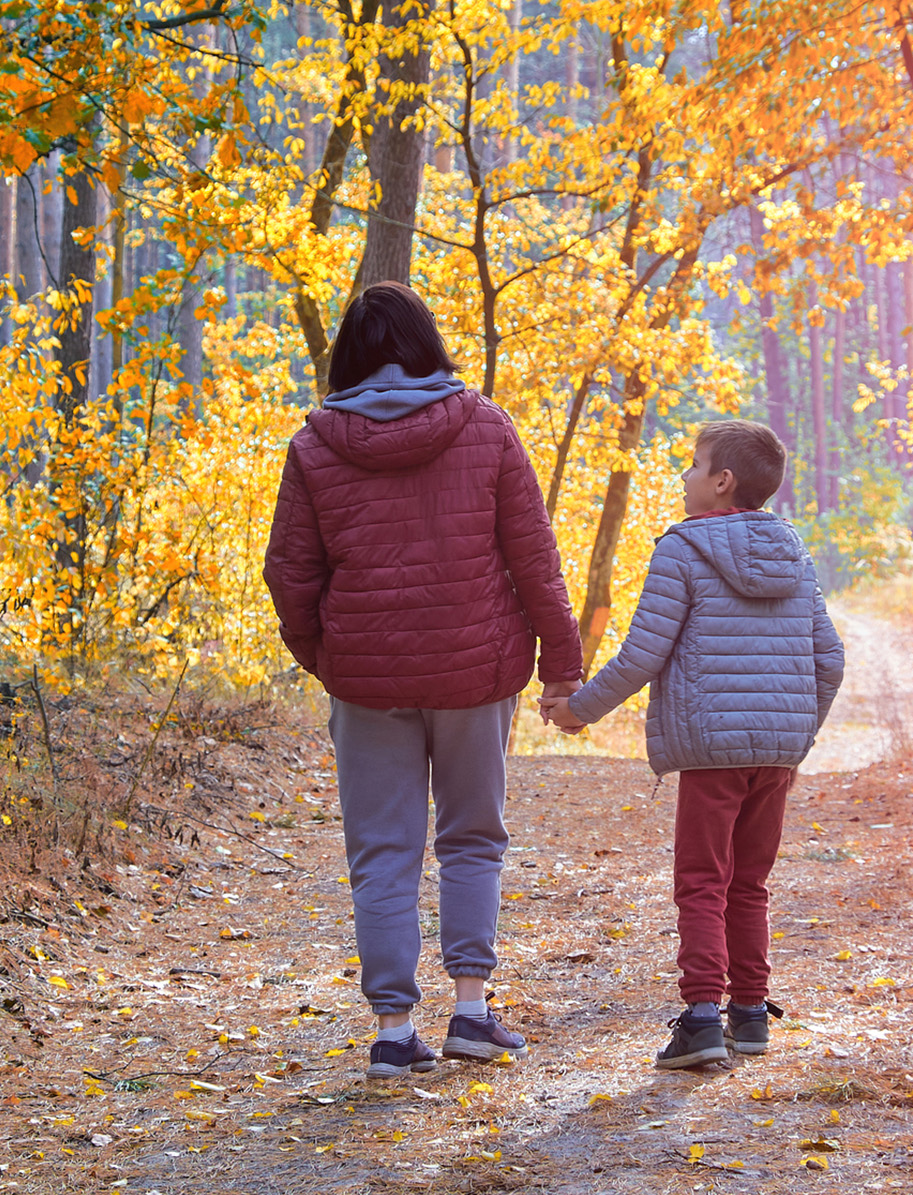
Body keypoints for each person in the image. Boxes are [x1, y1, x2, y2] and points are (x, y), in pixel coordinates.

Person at [264, 281, 584, 1079]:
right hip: (477, 674)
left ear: (348, 356)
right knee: (473, 836)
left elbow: (289, 577)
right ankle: (472, 1010)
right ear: (428, 343)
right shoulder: (485, 426)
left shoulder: (314, 446)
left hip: (367, 680)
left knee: (383, 850)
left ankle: (393, 1028)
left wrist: (327, 655)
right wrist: (561, 664)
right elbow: (533, 557)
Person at [539, 419, 843, 1069]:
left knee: (702, 881)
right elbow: (831, 659)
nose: (684, 475)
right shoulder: (795, 550)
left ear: (721, 481)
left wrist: (577, 711)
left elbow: (643, 653)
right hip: (776, 754)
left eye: (693, 464)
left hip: (711, 752)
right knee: (750, 882)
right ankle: (750, 1013)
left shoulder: (683, 548)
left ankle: (703, 1016)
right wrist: (797, 729)